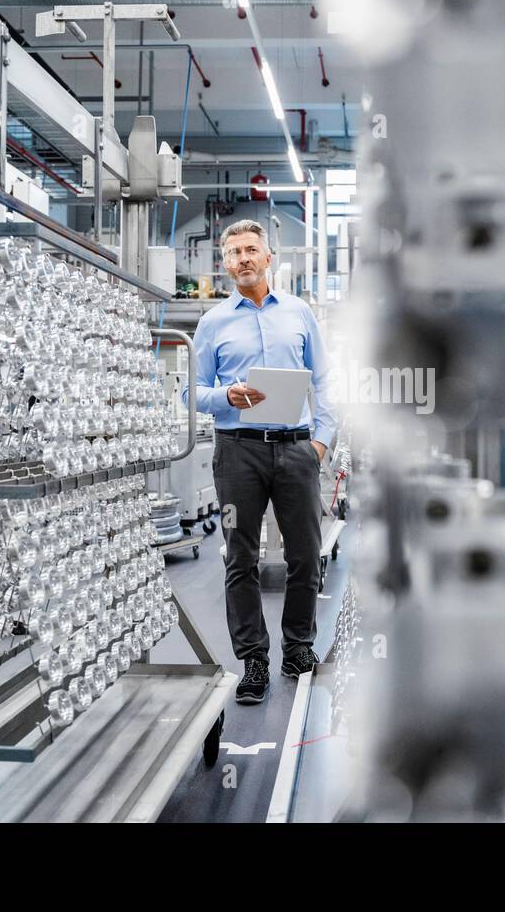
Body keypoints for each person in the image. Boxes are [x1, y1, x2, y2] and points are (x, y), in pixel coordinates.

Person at [182, 219, 337, 704]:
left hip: (296, 450)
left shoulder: (299, 313)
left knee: (305, 555)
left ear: (269, 258)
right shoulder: (211, 323)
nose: (243, 258)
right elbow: (192, 392)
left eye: (252, 250)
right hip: (237, 453)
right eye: (234, 253)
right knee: (239, 557)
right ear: (225, 264)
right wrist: (227, 394)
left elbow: (326, 383)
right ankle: (253, 660)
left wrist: (321, 442)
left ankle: (298, 648)